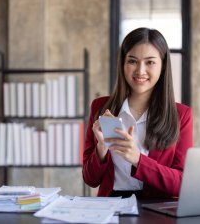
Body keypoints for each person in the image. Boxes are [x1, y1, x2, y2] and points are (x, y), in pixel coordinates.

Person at [82, 27, 193, 199]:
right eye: (132, 61)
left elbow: (182, 183)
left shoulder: (181, 115)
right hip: (111, 207)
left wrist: (138, 159)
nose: (140, 71)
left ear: (162, 67)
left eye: (150, 62)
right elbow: (90, 179)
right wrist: (101, 147)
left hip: (156, 210)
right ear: (123, 64)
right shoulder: (101, 108)